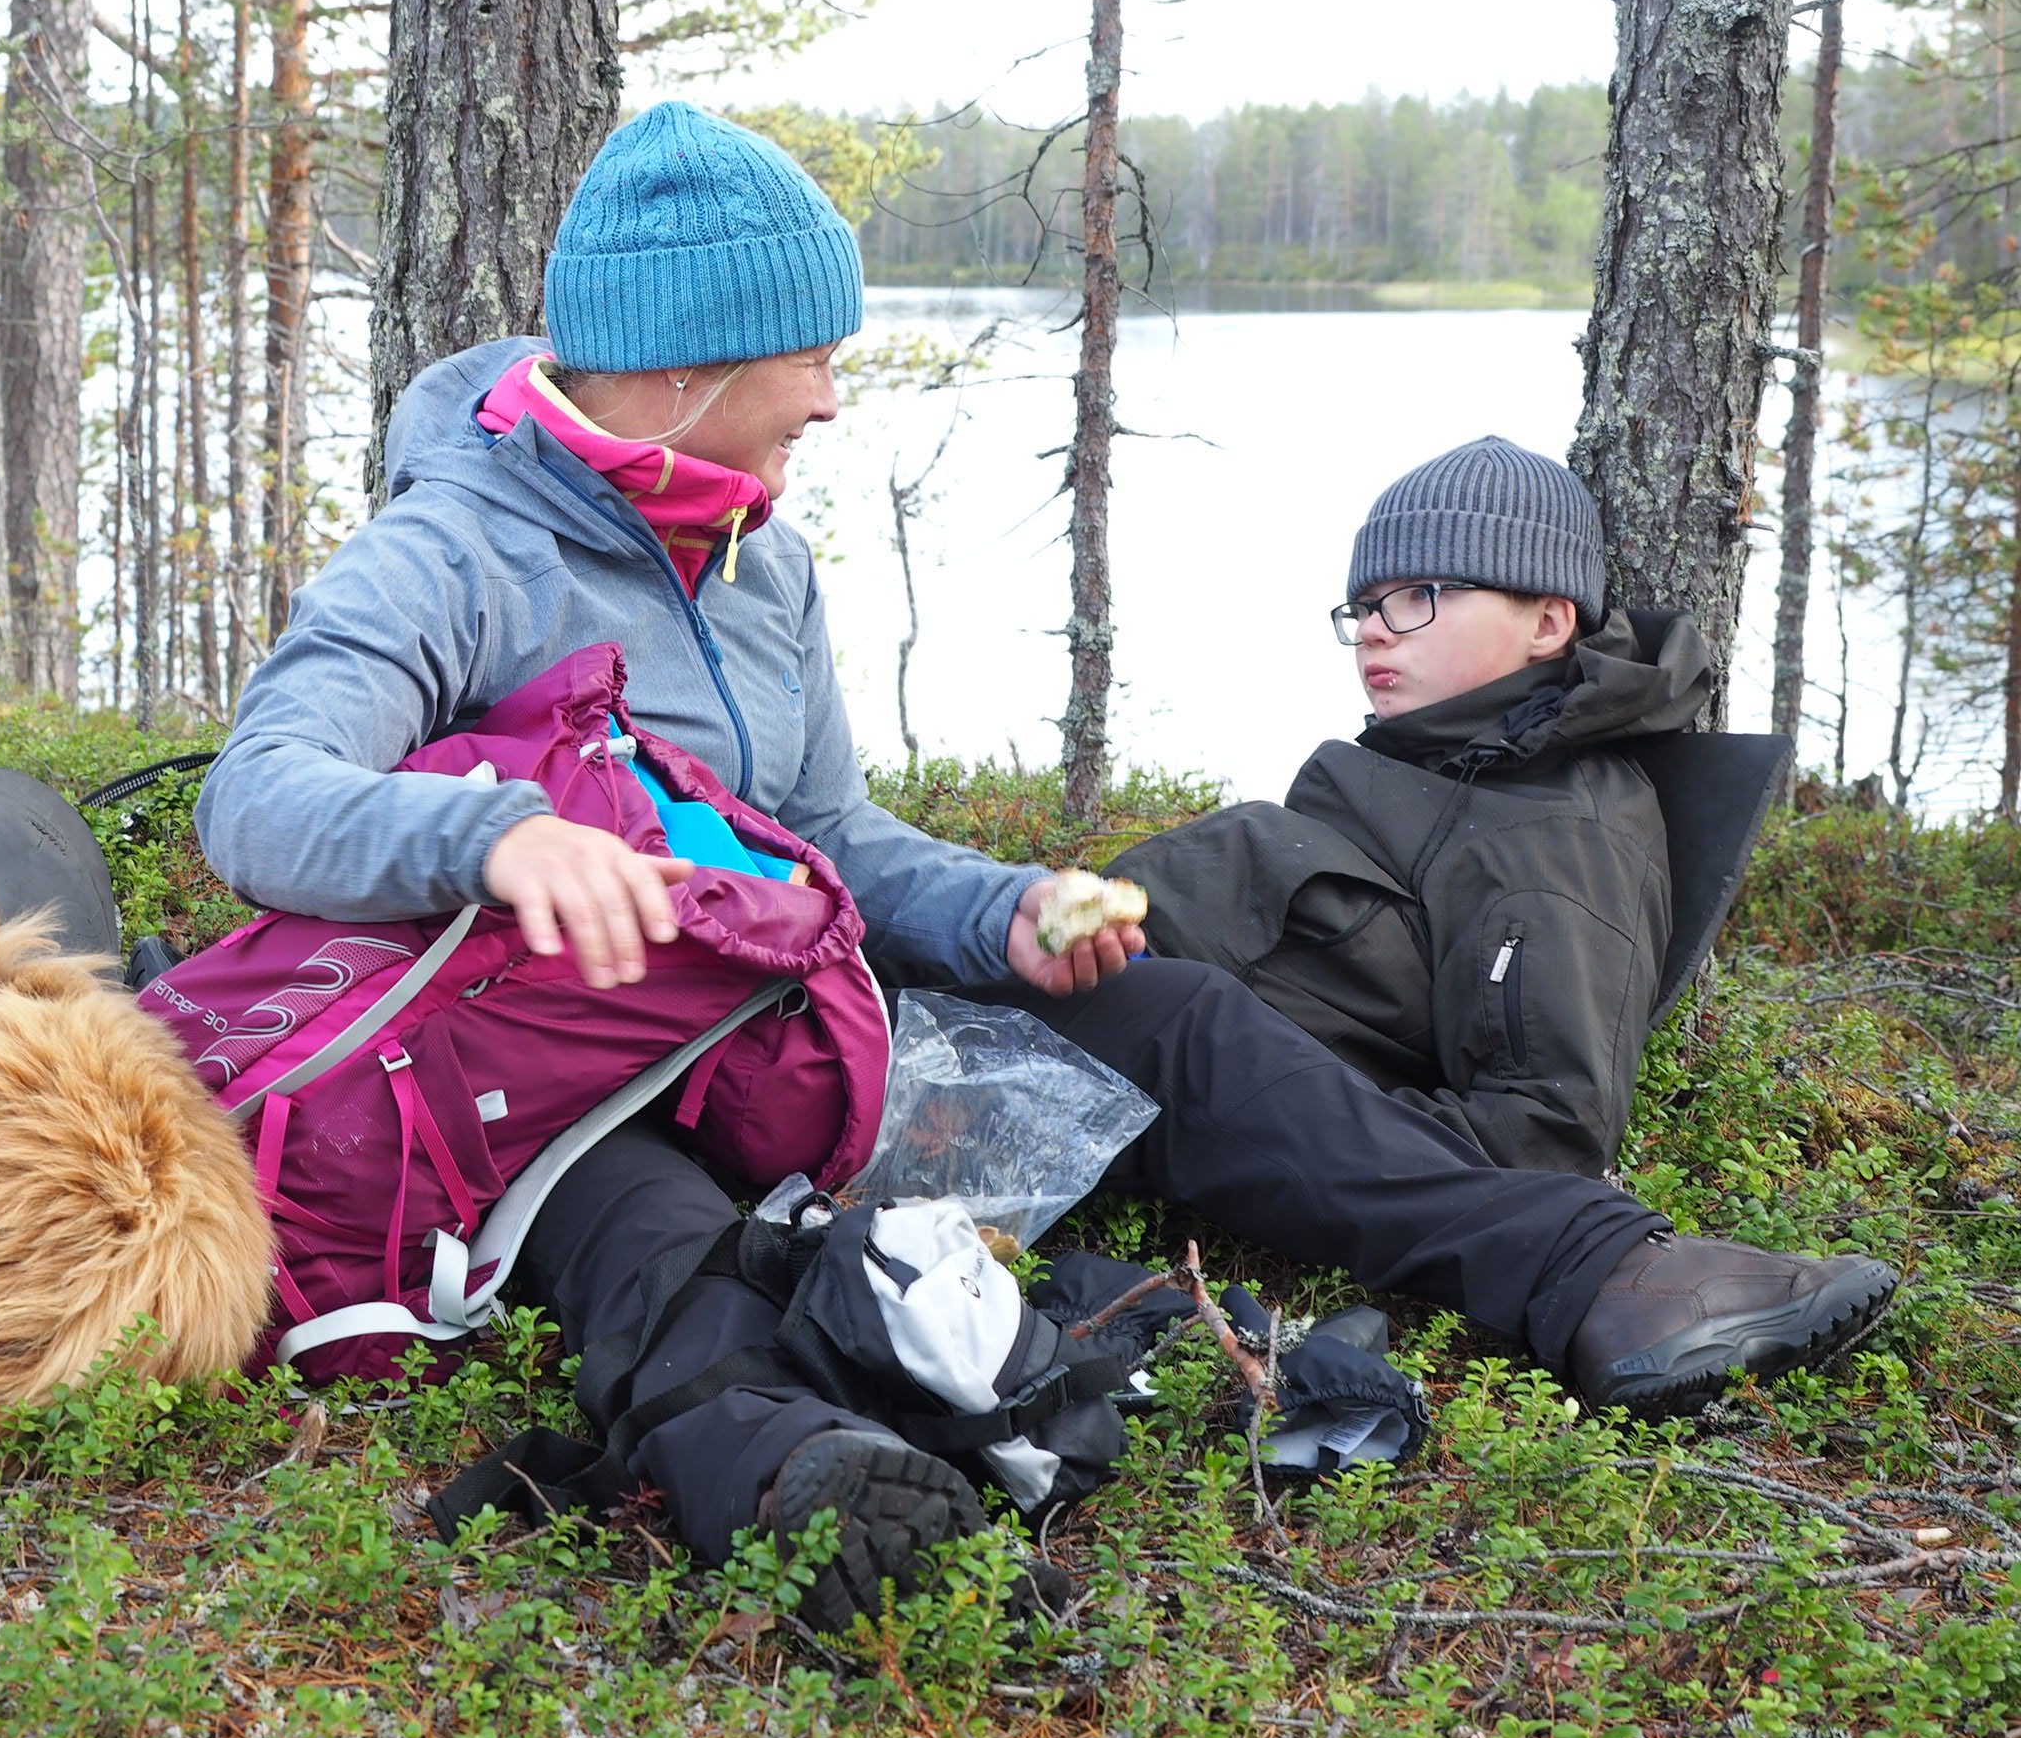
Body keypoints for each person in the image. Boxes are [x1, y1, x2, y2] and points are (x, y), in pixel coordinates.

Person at [194, 101, 1898, 1630]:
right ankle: (805, 1483)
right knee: (654, 1235)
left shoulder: (761, 566)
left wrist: (1003, 909)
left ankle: (1599, 1276)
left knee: (1177, 1020)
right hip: (561, 1083)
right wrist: (498, 836)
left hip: (786, 1029)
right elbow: (259, 800)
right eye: (810, 359)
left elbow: (832, 842)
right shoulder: (452, 552)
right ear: (693, 361)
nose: (831, 397)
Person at [1113, 440, 1710, 1178]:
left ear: (1548, 624)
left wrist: (1219, 1125)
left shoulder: (1562, 836)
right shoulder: (1428, 772)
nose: (1373, 628)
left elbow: (1546, 1134)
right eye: (1367, 605)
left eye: (1420, 594)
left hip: (1150, 1116)